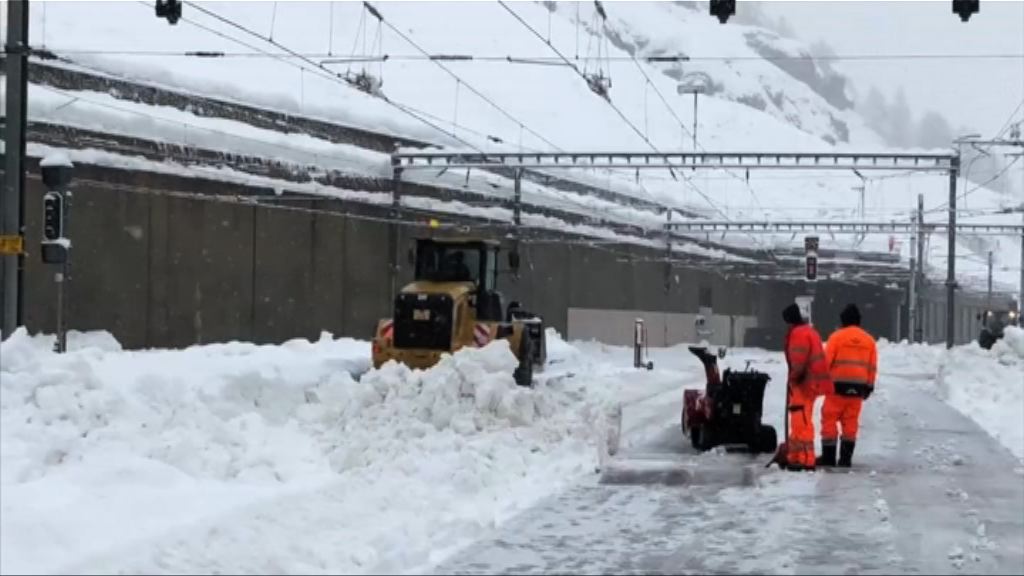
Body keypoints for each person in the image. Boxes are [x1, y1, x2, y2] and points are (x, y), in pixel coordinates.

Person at [818, 304, 877, 468]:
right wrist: (869, 386)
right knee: (850, 423)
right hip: (857, 389)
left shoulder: (836, 337)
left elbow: (826, 362)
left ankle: (829, 457)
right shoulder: (869, 340)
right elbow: (872, 366)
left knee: (829, 419)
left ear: (843, 320)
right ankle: (845, 459)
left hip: (836, 387)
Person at [781, 302, 831, 471]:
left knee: (801, 420)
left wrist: (793, 379)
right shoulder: (809, 331)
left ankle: (805, 459)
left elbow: (799, 360)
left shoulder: (798, 334)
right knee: (799, 418)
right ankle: (795, 456)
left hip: (804, 384)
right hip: (811, 383)